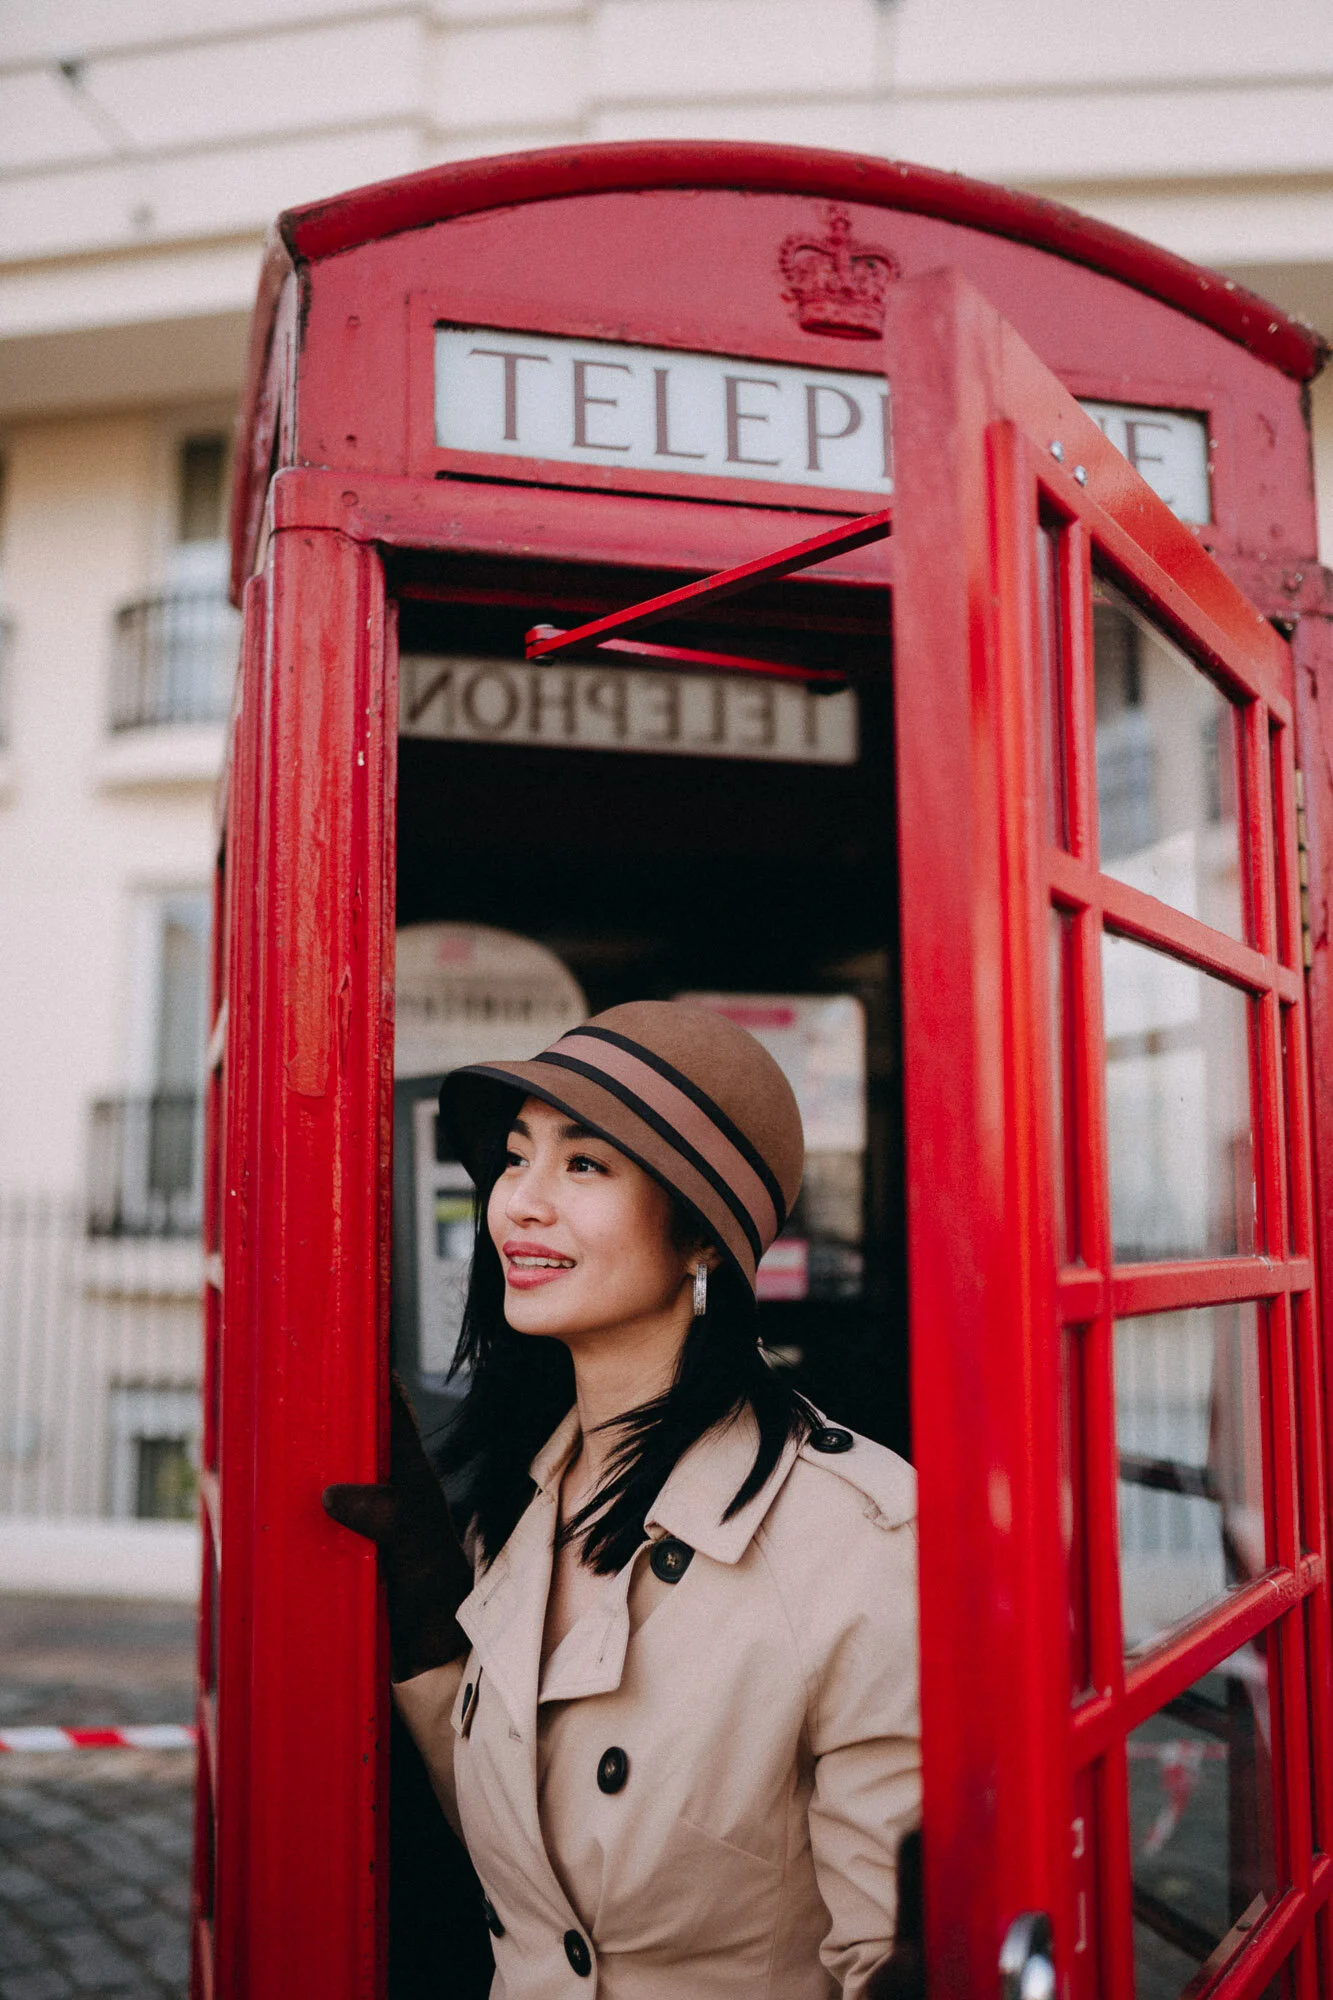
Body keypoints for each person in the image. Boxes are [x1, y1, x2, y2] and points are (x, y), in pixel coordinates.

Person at [326, 1000, 921, 1997]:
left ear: (701, 1236)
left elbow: (893, 1954)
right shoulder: (526, 1496)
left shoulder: (853, 1533)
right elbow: (532, 1866)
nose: (518, 1201)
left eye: (584, 1164)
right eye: (517, 1155)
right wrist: (429, 1611)